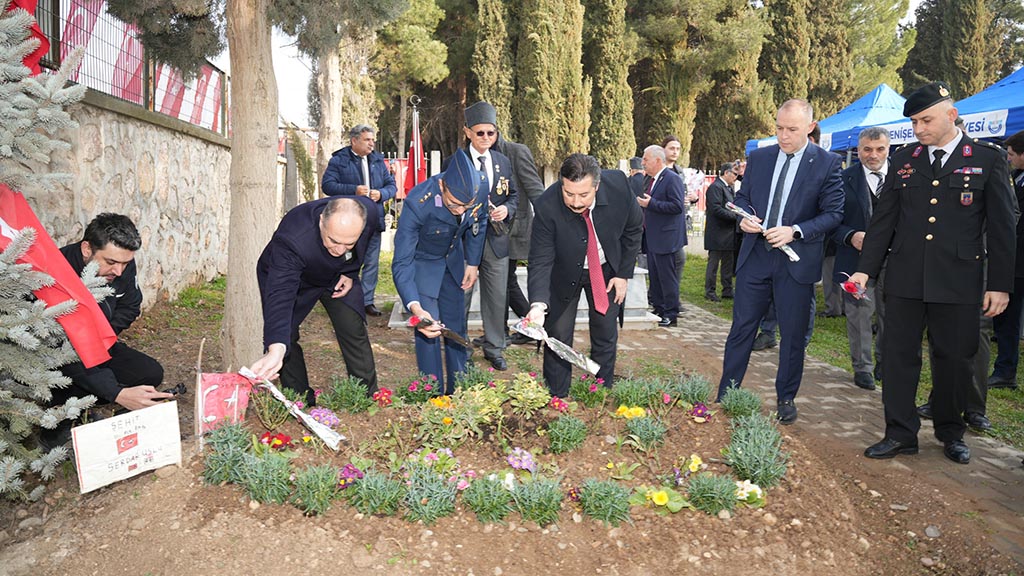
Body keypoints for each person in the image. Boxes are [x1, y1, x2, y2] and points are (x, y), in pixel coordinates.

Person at [849, 82, 1016, 464]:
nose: (919, 128)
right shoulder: (906, 160)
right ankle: (900, 433)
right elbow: (884, 222)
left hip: (959, 280)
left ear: (951, 115)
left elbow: (1004, 228)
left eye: (926, 119)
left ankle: (950, 431)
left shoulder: (987, 159)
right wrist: (864, 272)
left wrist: (1000, 286)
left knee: (955, 359)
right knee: (897, 357)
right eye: (913, 121)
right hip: (906, 278)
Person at [715, 99, 844, 425]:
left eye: (792, 130)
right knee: (742, 329)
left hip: (796, 263)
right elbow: (743, 198)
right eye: (779, 128)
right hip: (755, 256)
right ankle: (727, 392)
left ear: (810, 128)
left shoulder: (827, 164)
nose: (783, 136)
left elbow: (833, 214)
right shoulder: (759, 157)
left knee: (793, 334)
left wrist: (795, 231)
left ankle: (786, 397)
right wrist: (744, 218)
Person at [47, 214, 170, 447]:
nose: (120, 271)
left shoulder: (120, 264)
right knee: (69, 381)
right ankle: (57, 422)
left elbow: (131, 305)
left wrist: (102, 335)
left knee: (149, 373)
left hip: (95, 343)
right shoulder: (56, 275)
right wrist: (116, 394)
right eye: (111, 262)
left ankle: (97, 413)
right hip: (54, 358)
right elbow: (65, 351)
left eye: (125, 263)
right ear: (86, 249)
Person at [526, 154, 643, 398]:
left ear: (597, 186)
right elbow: (540, 259)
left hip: (605, 271)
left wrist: (623, 274)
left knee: (605, 331)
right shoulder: (546, 205)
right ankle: (557, 396)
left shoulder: (619, 187)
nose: (576, 202)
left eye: (583, 195)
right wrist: (538, 304)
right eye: (569, 194)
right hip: (564, 271)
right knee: (558, 336)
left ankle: (599, 392)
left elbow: (634, 229)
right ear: (562, 184)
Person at [249, 196, 380, 404]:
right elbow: (280, 297)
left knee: (352, 327)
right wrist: (276, 348)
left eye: (349, 243)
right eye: (334, 241)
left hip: (337, 277)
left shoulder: (369, 212)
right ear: (321, 221)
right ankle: (300, 401)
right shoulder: (292, 239)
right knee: (286, 337)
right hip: (294, 278)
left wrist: (350, 271)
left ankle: (367, 398)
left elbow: (362, 245)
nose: (339, 250)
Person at [392, 149, 488, 394]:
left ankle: (459, 391)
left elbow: (480, 221)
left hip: (454, 264)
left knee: (455, 328)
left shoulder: (479, 188)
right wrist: (414, 307)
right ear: (443, 185)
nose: (460, 211)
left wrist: (473, 262)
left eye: (465, 206)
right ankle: (432, 395)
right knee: (429, 331)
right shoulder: (418, 203)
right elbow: (402, 262)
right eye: (454, 204)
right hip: (423, 266)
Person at [452, 102, 519, 371]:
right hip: (466, 241)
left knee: (496, 296)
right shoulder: (455, 161)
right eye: (480, 133)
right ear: (467, 132)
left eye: (491, 134)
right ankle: (460, 345)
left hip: (496, 241)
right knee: (462, 296)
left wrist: (506, 209)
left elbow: (513, 195)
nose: (486, 139)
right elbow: (446, 199)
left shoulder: (503, 162)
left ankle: (494, 346)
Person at [831, 127, 891, 391]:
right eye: (867, 149)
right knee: (858, 315)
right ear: (858, 150)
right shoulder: (842, 179)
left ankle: (885, 362)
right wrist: (850, 235)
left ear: (888, 149)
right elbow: (830, 220)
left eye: (880, 149)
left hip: (897, 261)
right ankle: (862, 367)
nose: (873, 155)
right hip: (854, 262)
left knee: (894, 316)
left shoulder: (905, 177)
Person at [321, 124, 397, 317]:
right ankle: (341, 297)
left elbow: (392, 186)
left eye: (373, 139)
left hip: (373, 220)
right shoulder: (339, 160)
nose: (372, 143)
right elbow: (328, 185)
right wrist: (353, 190)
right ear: (354, 141)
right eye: (367, 140)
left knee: (371, 262)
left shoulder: (378, 160)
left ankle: (367, 301)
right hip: (347, 223)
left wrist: (381, 194)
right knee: (345, 260)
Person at [495, 132, 545, 347]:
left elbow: (535, 188)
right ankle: (508, 329)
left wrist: (550, 220)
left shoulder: (516, 152)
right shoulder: (478, 156)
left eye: (489, 131)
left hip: (515, 229)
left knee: (505, 280)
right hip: (491, 230)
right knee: (504, 281)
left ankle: (520, 328)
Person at [989, 129, 1024, 390]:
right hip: (1012, 260)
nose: (1009, 159)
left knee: (1009, 319)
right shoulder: (1015, 177)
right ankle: (1005, 369)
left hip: (1018, 261)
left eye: (1012, 154)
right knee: (1004, 320)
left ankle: (1006, 371)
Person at [637, 145, 686, 327]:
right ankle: (658, 307)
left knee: (667, 277)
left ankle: (671, 313)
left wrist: (652, 203)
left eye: (645, 159)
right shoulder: (652, 179)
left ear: (658, 160)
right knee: (655, 276)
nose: (643, 163)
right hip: (652, 236)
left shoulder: (671, 179)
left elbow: (677, 206)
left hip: (666, 238)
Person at [704, 162, 741, 302]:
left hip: (728, 233)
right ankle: (710, 290)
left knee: (728, 263)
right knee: (714, 264)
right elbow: (716, 209)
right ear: (726, 173)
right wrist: (736, 217)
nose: (736, 178)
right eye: (735, 174)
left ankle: (727, 289)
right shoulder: (716, 187)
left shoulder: (728, 188)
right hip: (717, 232)